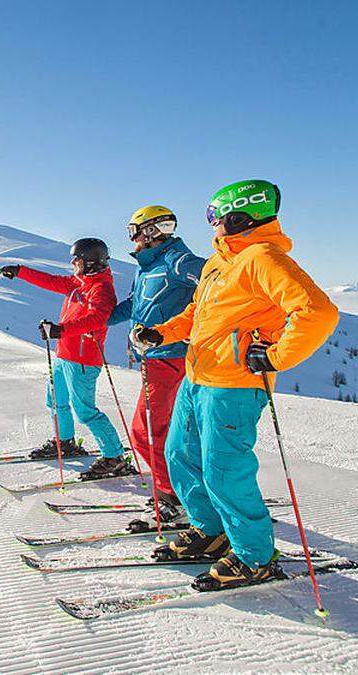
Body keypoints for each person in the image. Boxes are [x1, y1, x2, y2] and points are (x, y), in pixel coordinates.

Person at [132, 180, 339, 591]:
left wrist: (276, 356)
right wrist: (162, 333)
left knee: (224, 470)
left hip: (235, 384)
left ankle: (254, 557)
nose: (211, 225)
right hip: (198, 375)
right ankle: (210, 531)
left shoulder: (263, 258)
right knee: (180, 455)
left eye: (215, 216)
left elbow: (319, 312)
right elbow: (198, 312)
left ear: (238, 215)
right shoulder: (220, 262)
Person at [103, 206, 205, 524]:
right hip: (155, 358)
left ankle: (172, 495)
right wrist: (101, 320)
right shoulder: (147, 266)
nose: (131, 238)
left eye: (133, 230)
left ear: (149, 232)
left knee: (145, 431)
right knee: (164, 431)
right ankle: (183, 489)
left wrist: (200, 324)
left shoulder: (178, 260)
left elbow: (216, 283)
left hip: (171, 358)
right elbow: (135, 303)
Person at [0, 239, 131, 466]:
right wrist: (19, 272)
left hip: (83, 360)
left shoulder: (101, 289)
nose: (72, 262)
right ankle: (65, 443)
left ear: (89, 262)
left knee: (85, 411)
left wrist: (61, 330)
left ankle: (114, 456)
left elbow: (98, 319)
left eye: (76, 259)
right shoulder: (77, 282)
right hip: (64, 355)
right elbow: (49, 281)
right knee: (56, 402)